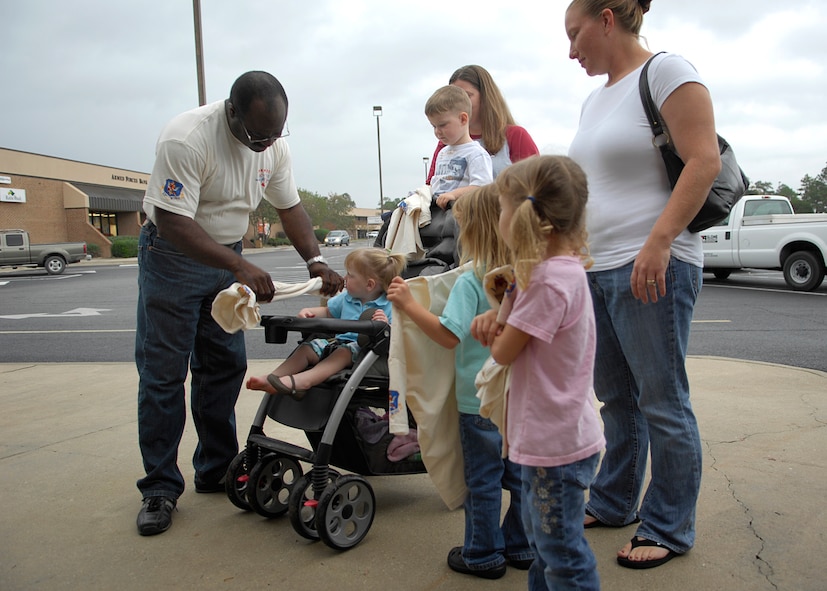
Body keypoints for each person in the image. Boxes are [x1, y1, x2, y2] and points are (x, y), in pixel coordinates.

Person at [135, 70, 343, 536]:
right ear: (231, 111)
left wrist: (315, 260)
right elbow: (171, 220)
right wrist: (236, 267)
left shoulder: (271, 145)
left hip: (228, 256)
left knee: (223, 365)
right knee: (164, 374)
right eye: (257, 134)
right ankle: (160, 488)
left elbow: (289, 208)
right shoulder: (187, 139)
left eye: (275, 134)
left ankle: (215, 468)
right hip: (172, 256)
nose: (266, 144)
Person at [565, 0, 722, 569]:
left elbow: (702, 161)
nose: (571, 49)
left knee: (663, 401)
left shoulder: (668, 73)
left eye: (576, 33)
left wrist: (658, 242)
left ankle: (669, 524)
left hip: (654, 263)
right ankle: (613, 500)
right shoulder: (594, 97)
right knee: (617, 400)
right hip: (598, 267)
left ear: (607, 19)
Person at [471, 155, 605, 590]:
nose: (500, 220)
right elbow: (515, 328)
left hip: (555, 447)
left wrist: (486, 327)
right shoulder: (559, 273)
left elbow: (505, 351)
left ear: (527, 215)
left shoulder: (545, 282)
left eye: (503, 209)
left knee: (562, 554)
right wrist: (507, 304)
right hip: (560, 438)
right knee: (546, 551)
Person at [386, 185, 533, 580]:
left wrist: (409, 305)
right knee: (522, 478)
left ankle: (483, 553)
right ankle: (522, 545)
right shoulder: (524, 275)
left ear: (473, 232)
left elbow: (449, 335)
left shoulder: (472, 280)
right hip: (522, 399)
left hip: (479, 400)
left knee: (482, 481)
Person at [247, 248, 407, 397]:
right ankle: (273, 377)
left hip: (364, 351)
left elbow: (400, 333)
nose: (345, 278)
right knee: (306, 348)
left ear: (369, 284)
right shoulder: (346, 299)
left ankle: (304, 381)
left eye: (350, 275)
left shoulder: (390, 305)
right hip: (335, 342)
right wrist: (310, 313)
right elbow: (328, 313)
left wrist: (385, 325)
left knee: (343, 352)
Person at [427, 64, 539, 182]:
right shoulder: (446, 143)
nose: (457, 103)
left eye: (467, 96)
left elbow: (537, 185)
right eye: (452, 98)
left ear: (485, 97)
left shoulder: (516, 135)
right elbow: (432, 185)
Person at [425, 85, 494, 210]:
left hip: (464, 216)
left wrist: (453, 195)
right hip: (439, 214)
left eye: (442, 125)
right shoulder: (442, 153)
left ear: (463, 119)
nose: (437, 132)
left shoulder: (476, 154)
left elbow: (483, 188)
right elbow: (435, 185)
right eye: (433, 126)